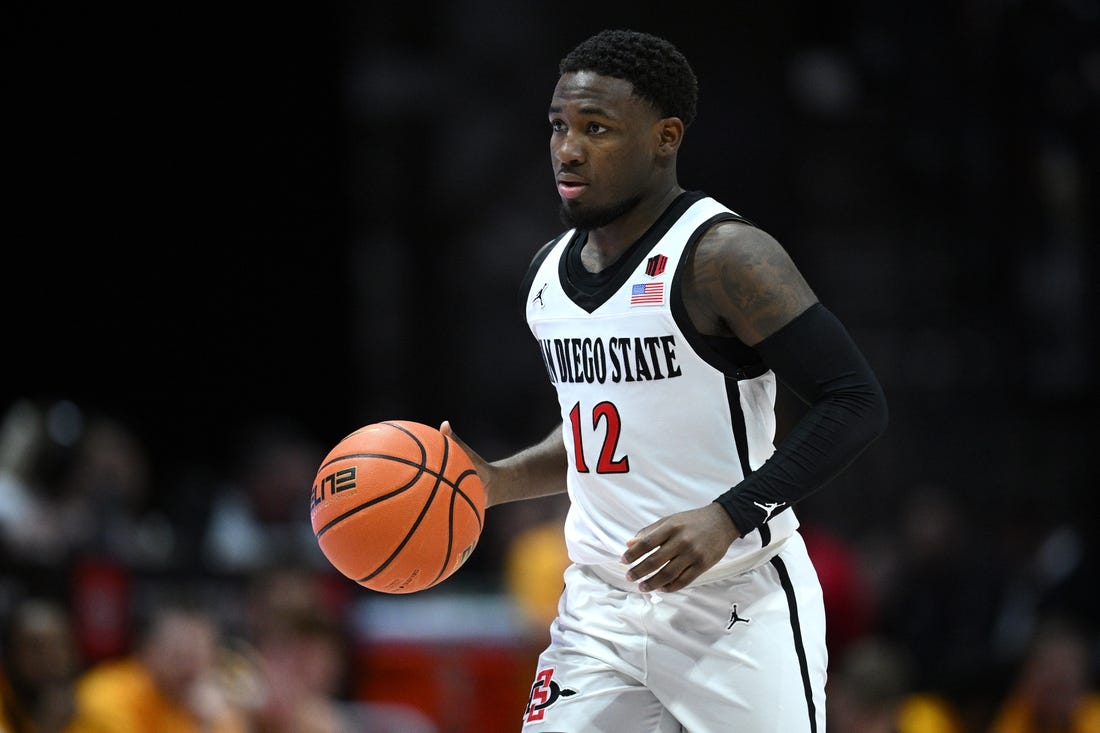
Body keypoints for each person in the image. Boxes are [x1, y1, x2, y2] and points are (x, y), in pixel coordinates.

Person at [440, 28, 888, 732]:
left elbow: (856, 401)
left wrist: (730, 513)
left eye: (597, 128)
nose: (568, 148)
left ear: (664, 137)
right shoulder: (546, 279)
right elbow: (604, 430)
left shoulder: (725, 257)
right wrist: (498, 480)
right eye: (559, 125)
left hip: (733, 602)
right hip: (599, 609)